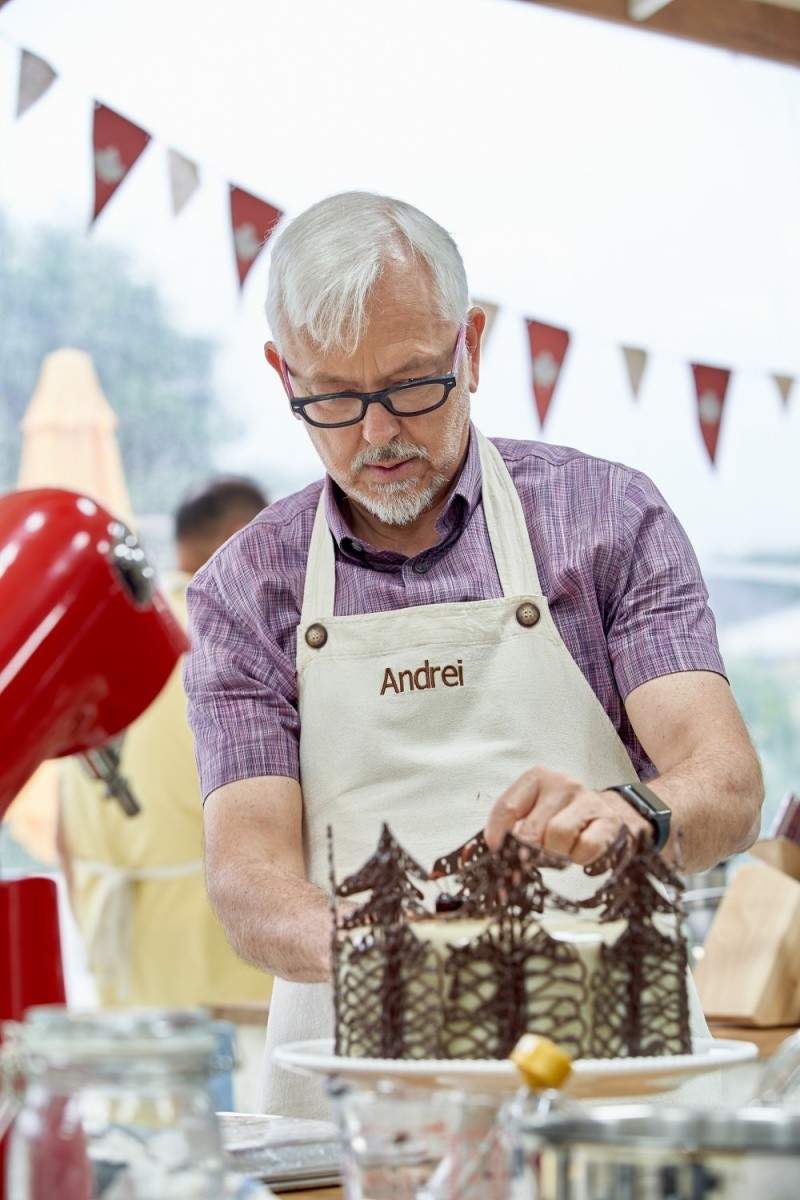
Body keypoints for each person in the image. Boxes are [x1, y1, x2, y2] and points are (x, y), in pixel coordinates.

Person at [183, 193, 764, 1117]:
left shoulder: (607, 520)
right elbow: (245, 875)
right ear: (280, 373)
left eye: (413, 385)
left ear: (473, 348)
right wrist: (384, 944)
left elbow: (725, 782)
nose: (378, 435)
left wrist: (631, 815)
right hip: (353, 1084)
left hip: (604, 1075)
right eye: (333, 397)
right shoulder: (244, 589)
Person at [58, 476, 272, 1010]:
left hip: (122, 968)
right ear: (241, 535)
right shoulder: (235, 635)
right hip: (231, 967)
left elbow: (64, 834)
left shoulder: (110, 636)